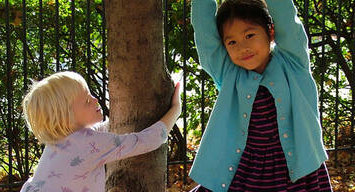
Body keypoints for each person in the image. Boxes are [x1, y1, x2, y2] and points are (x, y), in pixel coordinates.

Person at [189, 0, 332, 191]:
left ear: (270, 32)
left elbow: (285, 15)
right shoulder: (229, 74)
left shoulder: (293, 63)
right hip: (246, 173)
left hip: (296, 172)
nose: (242, 47)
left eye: (249, 35)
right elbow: (204, 33)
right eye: (232, 42)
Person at [20, 71, 181, 192]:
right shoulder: (88, 143)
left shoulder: (61, 139)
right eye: (87, 101)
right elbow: (148, 140)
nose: (96, 100)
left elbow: (105, 128)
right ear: (67, 117)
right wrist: (175, 110)